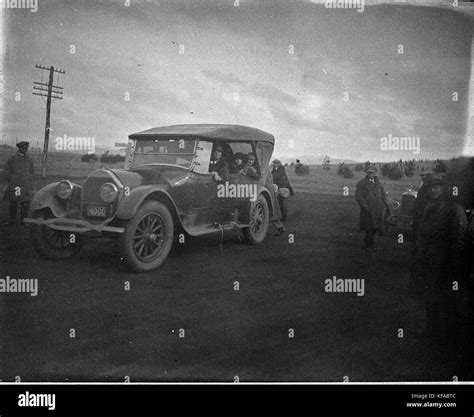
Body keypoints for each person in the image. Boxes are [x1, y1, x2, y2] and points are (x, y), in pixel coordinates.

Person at [411, 174, 468, 353]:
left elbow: (459, 241)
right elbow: (422, 233)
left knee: (449, 304)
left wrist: (454, 267)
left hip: (446, 266)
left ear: (445, 188)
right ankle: (432, 333)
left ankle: (451, 343)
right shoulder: (429, 206)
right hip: (428, 263)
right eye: (430, 187)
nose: (433, 190)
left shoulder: (454, 209)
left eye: (437, 186)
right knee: (430, 299)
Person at [355, 164, 386, 251]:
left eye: (372, 172)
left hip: (378, 209)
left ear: (375, 173)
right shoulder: (361, 183)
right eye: (368, 172)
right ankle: (368, 245)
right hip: (368, 210)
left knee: (376, 227)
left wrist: (383, 204)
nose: (370, 174)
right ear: (366, 173)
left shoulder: (378, 183)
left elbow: (383, 194)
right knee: (369, 228)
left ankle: (370, 243)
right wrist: (365, 206)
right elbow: (359, 196)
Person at [3, 141, 35, 225]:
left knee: (25, 203)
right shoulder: (12, 158)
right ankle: (11, 221)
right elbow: (7, 170)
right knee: (13, 202)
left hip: (25, 185)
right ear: (19, 148)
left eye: (26, 148)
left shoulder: (29, 160)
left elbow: (32, 172)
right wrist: (11, 179)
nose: (25, 150)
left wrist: (29, 179)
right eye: (23, 148)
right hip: (15, 185)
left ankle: (24, 221)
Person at [412, 171, 434, 237]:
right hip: (420, 212)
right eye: (423, 180)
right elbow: (418, 200)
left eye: (425, 180)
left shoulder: (429, 190)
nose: (424, 182)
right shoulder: (421, 190)